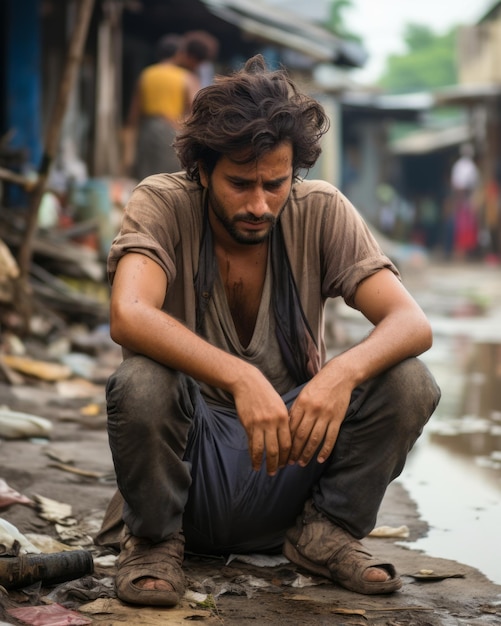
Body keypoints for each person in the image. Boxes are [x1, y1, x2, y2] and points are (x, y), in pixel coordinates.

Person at [95, 55, 441, 607]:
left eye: (275, 184)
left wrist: (340, 375)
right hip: (191, 475)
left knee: (410, 380)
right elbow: (129, 314)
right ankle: (154, 543)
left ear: (294, 173)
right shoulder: (161, 202)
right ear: (203, 171)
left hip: (291, 463)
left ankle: (324, 534)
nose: (259, 204)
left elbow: (411, 323)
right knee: (141, 380)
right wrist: (238, 376)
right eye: (239, 183)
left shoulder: (322, 210)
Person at [124, 30, 219, 180]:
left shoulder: (147, 73)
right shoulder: (186, 78)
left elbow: (133, 113)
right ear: (179, 54)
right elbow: (197, 109)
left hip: (148, 129)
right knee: (167, 178)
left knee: (146, 175)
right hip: (172, 131)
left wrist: (129, 139)